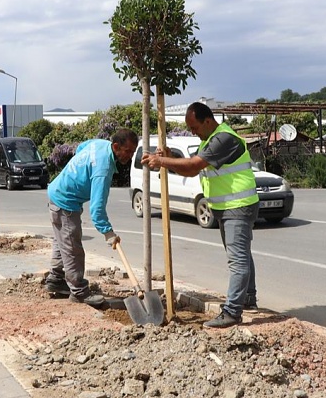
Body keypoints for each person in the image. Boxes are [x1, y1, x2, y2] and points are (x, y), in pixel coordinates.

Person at [141, 102, 260, 328]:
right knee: (241, 255)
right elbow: (189, 163)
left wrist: (162, 161)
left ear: (207, 121)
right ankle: (248, 298)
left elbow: (192, 167)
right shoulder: (209, 139)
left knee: (238, 259)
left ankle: (233, 312)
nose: (193, 132)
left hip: (238, 205)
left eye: (194, 127)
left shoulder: (223, 138)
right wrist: (170, 155)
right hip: (228, 206)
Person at [45, 129, 139, 307]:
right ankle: (79, 292)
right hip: (65, 202)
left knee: (61, 242)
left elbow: (82, 147)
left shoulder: (100, 144)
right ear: (116, 146)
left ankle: (56, 279)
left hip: (57, 192)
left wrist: (81, 171)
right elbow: (97, 209)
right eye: (127, 151)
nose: (130, 156)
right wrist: (108, 233)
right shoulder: (103, 170)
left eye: (133, 152)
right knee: (72, 247)